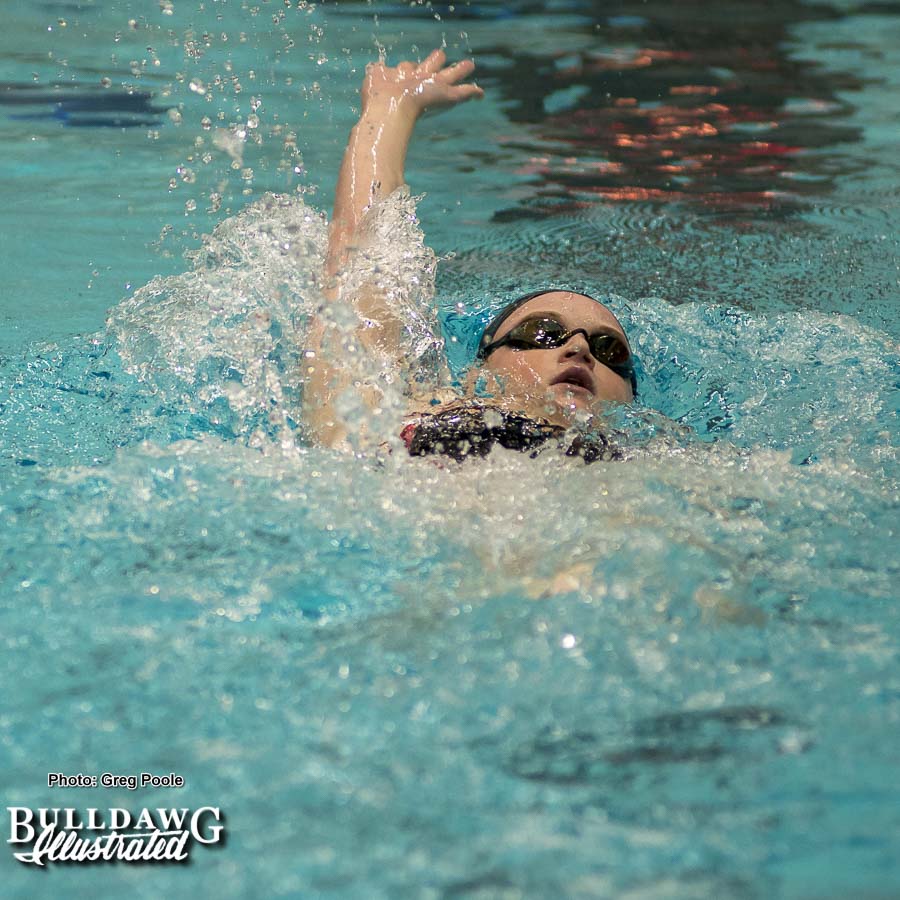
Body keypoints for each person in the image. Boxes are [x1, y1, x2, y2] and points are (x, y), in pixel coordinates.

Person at [304, 49, 637, 462]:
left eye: (610, 351)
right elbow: (362, 271)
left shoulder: (661, 466)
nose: (579, 349)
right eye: (542, 332)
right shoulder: (401, 425)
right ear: (478, 375)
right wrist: (392, 109)